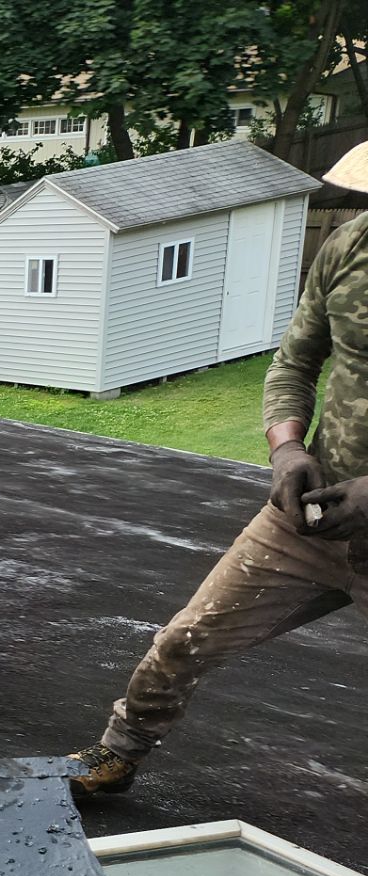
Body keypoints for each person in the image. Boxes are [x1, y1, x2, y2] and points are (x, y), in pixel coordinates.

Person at [69, 144, 368, 796]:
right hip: (313, 518)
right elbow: (294, 364)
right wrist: (288, 449)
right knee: (186, 639)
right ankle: (117, 754)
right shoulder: (349, 247)